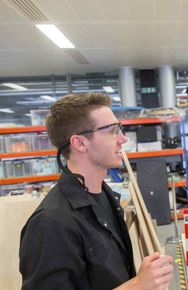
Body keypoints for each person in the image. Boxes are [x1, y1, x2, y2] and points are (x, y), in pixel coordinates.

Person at [19, 93, 173, 290]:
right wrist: (137, 286)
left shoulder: (105, 196)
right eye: (112, 131)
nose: (123, 139)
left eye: (120, 129)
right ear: (80, 143)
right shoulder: (50, 223)